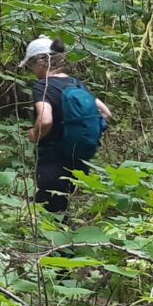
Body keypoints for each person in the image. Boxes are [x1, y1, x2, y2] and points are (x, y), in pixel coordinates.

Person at [23, 35, 111, 214]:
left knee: (51, 214)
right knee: (62, 208)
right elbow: (105, 112)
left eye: (31, 65)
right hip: (77, 158)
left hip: (52, 159)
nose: (32, 71)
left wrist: (34, 134)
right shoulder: (76, 84)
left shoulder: (43, 86)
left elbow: (45, 119)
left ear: (40, 62)